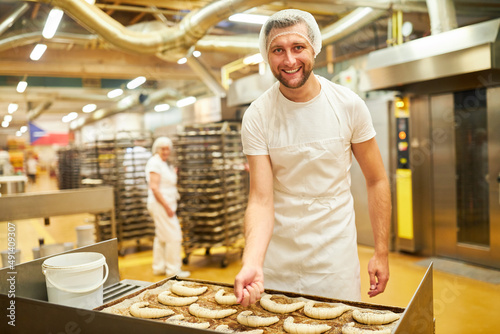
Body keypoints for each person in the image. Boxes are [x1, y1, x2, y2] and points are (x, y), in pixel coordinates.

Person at [234, 9, 391, 306]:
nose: (289, 60)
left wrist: (381, 251)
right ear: (267, 56)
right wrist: (252, 260)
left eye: (298, 48)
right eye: (278, 50)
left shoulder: (348, 106)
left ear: (314, 48)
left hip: (336, 261)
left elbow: (377, 179)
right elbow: (260, 199)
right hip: (278, 261)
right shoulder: (258, 115)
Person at [145, 137, 190, 278]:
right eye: (162, 148)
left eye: (167, 148)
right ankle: (173, 271)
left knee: (161, 237)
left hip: (165, 204)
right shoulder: (154, 163)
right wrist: (167, 207)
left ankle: (159, 267)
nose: (166, 151)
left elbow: (165, 183)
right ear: (156, 149)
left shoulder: (164, 164)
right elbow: (154, 187)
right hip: (161, 205)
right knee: (174, 236)